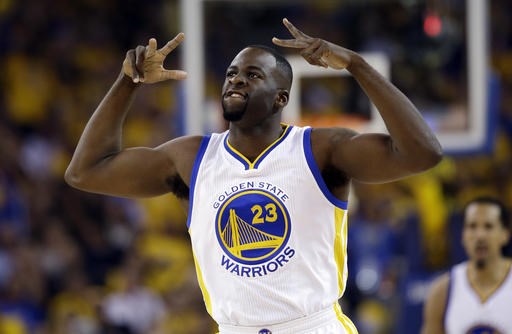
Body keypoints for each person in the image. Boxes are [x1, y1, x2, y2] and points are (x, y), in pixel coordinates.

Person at [65, 18, 442, 334]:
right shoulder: (191, 156)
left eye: (252, 74)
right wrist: (127, 83)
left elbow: (423, 153)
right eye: (231, 74)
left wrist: (358, 66)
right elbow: (85, 172)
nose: (237, 80)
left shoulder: (320, 149)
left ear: (281, 98)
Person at [421, 196, 512, 334]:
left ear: (505, 234)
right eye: (472, 226)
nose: (480, 235)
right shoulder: (443, 291)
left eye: (488, 226)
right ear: (463, 235)